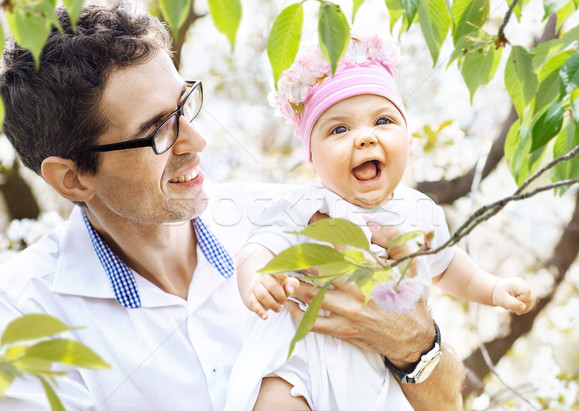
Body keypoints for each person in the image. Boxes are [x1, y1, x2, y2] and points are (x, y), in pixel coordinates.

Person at [0, 2, 465, 410]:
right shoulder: (24, 319)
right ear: (72, 178)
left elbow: (447, 404)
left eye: (186, 105)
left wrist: (416, 344)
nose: (197, 141)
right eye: (159, 130)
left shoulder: (299, 221)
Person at [230, 34, 536, 409]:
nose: (364, 138)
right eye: (339, 130)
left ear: (408, 137)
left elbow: (449, 265)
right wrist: (257, 279)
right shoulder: (305, 204)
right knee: (275, 396)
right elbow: (259, 245)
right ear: (312, 159)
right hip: (302, 354)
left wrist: (493, 288)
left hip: (376, 365)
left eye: (383, 120)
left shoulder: (419, 210)